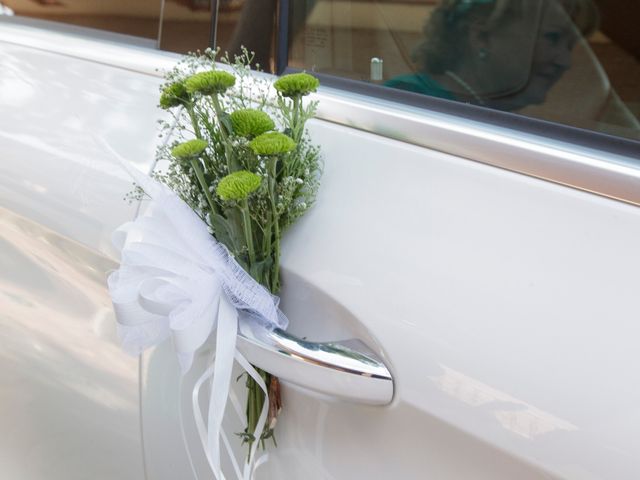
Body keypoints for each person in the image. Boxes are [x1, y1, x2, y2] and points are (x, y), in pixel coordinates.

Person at [385, 0, 599, 112]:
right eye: (552, 38)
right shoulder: (409, 102)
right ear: (482, 36)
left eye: (570, 46)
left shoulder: (495, 112)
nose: (565, 61)